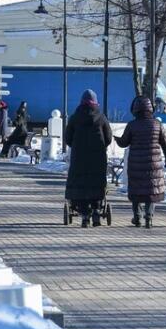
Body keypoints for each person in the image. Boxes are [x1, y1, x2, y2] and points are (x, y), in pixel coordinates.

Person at [115, 96, 166, 228]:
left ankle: (137, 217)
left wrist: (116, 139)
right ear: (150, 108)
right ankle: (149, 216)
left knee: (136, 190)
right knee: (151, 190)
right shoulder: (157, 124)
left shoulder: (132, 125)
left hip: (136, 164)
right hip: (153, 164)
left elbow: (124, 142)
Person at [65, 90, 113, 227]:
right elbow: (108, 138)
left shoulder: (74, 118)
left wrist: (76, 146)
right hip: (97, 158)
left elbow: (68, 138)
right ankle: (97, 212)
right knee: (96, 183)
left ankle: (85, 214)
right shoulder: (101, 117)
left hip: (79, 158)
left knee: (80, 184)